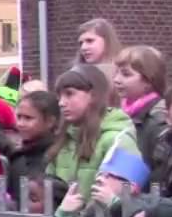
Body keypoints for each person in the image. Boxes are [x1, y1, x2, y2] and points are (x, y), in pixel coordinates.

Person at [46, 64, 139, 193]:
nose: (61, 103)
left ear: (93, 95)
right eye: (59, 96)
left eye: (69, 94)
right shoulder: (64, 138)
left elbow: (128, 195)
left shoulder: (119, 140)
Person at [113, 45, 169, 168]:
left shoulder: (159, 118)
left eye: (126, 74)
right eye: (116, 73)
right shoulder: (120, 113)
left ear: (148, 80)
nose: (116, 79)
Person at [8, 90, 60, 200]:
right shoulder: (17, 157)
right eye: (19, 117)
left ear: (50, 121)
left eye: (28, 118)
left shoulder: (58, 156)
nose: (20, 124)